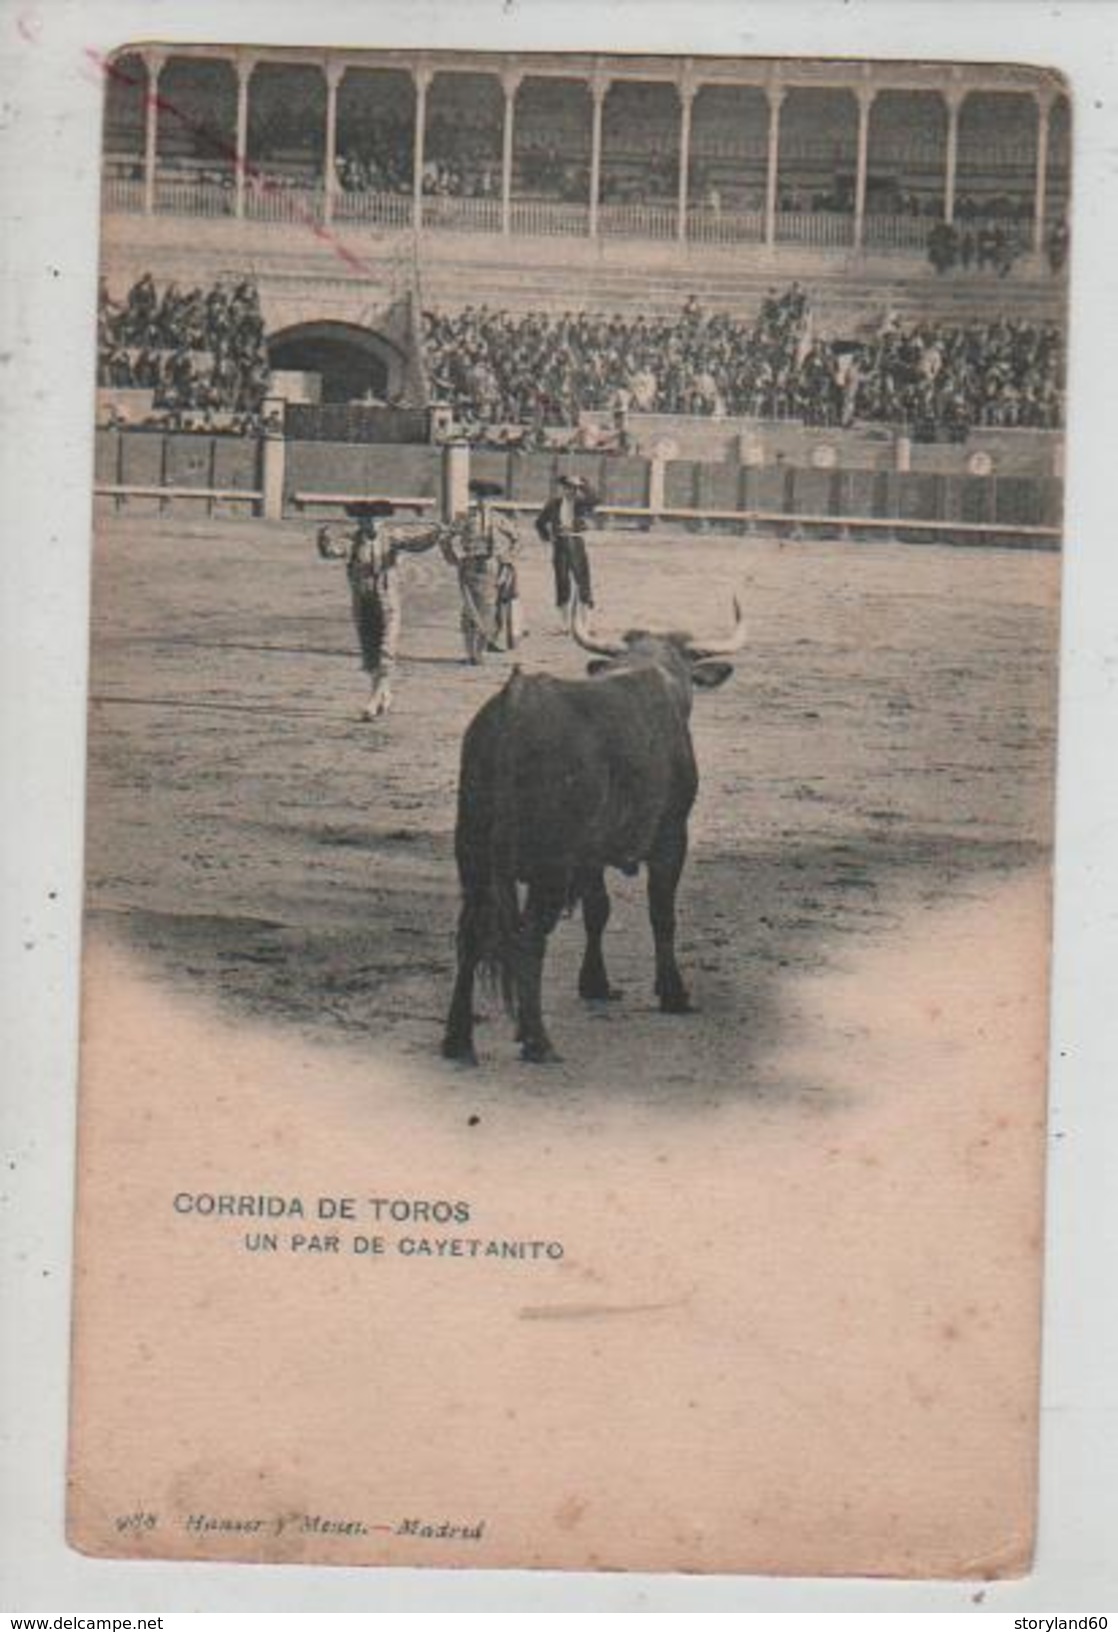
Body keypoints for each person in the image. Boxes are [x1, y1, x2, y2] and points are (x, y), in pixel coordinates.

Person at [316, 500, 444, 720]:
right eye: (366, 520)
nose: (371, 524)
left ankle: (374, 700)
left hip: (388, 601)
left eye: (375, 519)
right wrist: (323, 539)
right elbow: (331, 552)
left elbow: (418, 543)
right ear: (359, 521)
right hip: (363, 600)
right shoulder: (353, 540)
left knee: (386, 647)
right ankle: (384, 693)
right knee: (370, 649)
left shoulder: (393, 537)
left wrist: (436, 533)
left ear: (382, 521)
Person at [441, 479, 523, 664]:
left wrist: (507, 558)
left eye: (486, 498)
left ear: (492, 500)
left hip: (491, 566)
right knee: (469, 609)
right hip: (469, 565)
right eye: (479, 497)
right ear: (474, 498)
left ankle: (479, 652)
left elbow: (517, 539)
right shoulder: (464, 518)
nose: (482, 501)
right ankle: (471, 654)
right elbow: (445, 538)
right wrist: (452, 558)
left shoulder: (499, 519)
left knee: (489, 609)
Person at [535, 473, 599, 632]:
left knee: (582, 581)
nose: (570, 491)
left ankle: (585, 623)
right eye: (567, 487)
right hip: (560, 543)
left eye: (573, 488)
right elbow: (539, 522)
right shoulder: (554, 504)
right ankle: (564, 624)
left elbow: (595, 499)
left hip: (576, 542)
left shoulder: (581, 504)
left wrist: (583, 483)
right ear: (563, 489)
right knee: (562, 581)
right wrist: (548, 538)